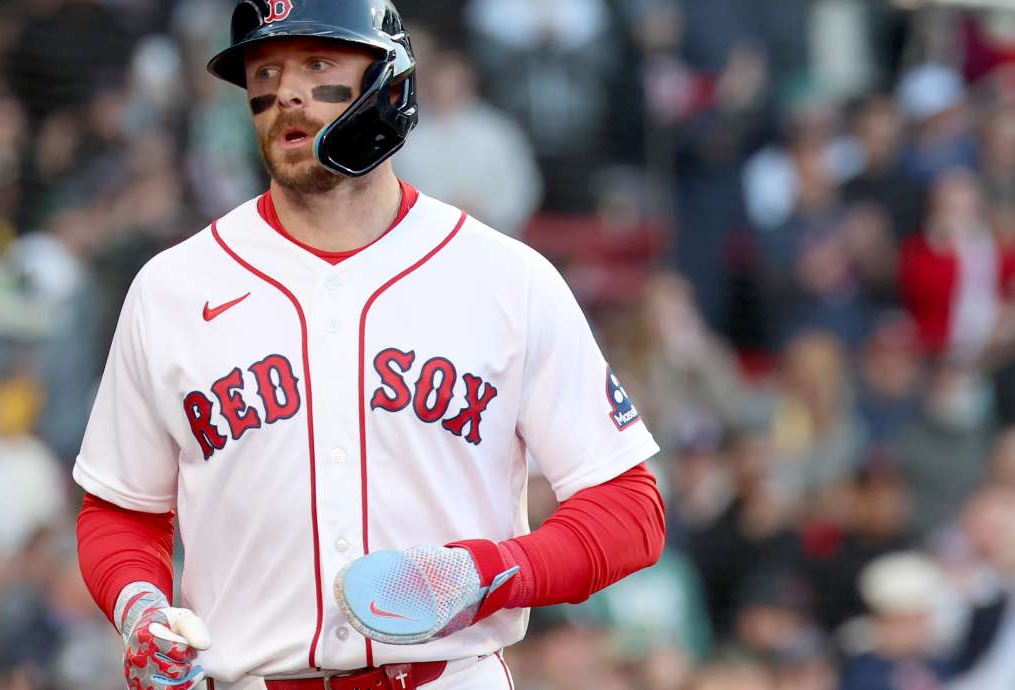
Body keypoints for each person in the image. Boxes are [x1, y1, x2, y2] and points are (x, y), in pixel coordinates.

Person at [71, 2, 666, 689]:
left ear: (390, 83)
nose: (286, 91)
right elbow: (121, 508)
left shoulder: (505, 277)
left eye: (318, 64)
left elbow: (629, 506)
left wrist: (487, 572)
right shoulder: (172, 287)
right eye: (265, 71)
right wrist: (139, 605)